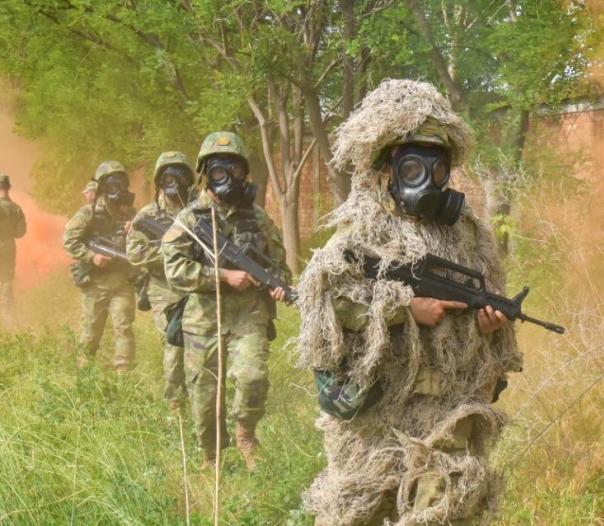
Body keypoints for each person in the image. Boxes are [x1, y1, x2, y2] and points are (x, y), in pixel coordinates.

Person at [295, 79, 523, 526]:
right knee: (356, 511)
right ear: (387, 167)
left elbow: (485, 319)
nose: (426, 179)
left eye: (437, 169)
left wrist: (488, 328)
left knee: (440, 512)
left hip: (447, 405)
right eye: (413, 167)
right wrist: (403, 310)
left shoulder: (469, 238)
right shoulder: (359, 233)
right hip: (375, 409)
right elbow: (325, 306)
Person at [161, 132, 290, 471]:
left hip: (249, 315)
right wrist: (221, 276)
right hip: (203, 321)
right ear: (206, 174)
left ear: (244, 173)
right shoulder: (189, 219)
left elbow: (281, 266)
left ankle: (246, 435)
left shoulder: (257, 218)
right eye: (219, 172)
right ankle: (212, 456)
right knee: (204, 399)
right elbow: (175, 271)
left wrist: (277, 286)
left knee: (253, 377)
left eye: (235, 170)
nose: (228, 179)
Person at [127, 151, 196, 409]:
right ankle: (175, 403)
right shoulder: (148, 216)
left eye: (180, 176)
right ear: (159, 181)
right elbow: (134, 252)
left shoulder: (201, 211)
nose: (175, 182)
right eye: (168, 177)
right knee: (174, 341)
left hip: (198, 286)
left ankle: (200, 399)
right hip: (163, 288)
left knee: (200, 344)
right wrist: (172, 253)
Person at [63, 161, 139, 371]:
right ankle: (84, 376)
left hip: (122, 281)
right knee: (91, 333)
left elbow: (144, 244)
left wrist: (135, 230)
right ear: (102, 187)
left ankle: (124, 378)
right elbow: (69, 241)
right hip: (96, 282)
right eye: (112, 185)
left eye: (120, 184)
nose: (117, 190)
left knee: (124, 328)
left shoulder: (131, 214)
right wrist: (92, 256)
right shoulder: (88, 212)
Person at [0, 174, 28, 308]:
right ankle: (6, 310)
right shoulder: (16, 208)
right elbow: (20, 233)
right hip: (8, 247)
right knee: (7, 279)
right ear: (9, 187)